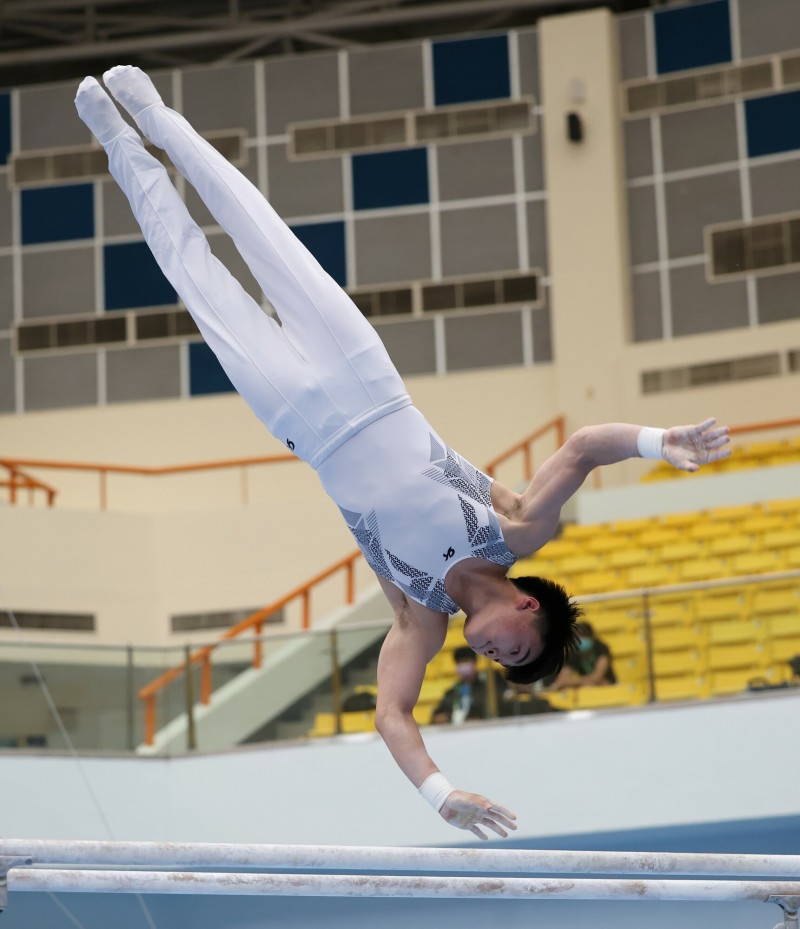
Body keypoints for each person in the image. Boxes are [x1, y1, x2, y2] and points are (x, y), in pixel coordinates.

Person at [75, 67, 732, 841]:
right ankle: (154, 113)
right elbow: (586, 447)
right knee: (257, 229)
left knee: (197, 278)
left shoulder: (418, 615)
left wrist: (438, 792)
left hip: (304, 428)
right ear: (529, 606)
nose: (491, 652)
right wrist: (663, 442)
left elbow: (391, 712)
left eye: (497, 662)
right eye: (513, 648)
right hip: (367, 380)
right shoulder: (515, 530)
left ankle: (118, 141)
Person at [431, 646, 557, 724]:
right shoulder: (452, 691)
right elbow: (439, 713)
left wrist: (478, 718)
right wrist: (439, 717)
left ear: (474, 663)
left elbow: (498, 703)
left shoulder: (490, 683)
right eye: (460, 662)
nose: (463, 664)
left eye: (466, 661)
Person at [549, 621, 616, 689]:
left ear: (591, 636)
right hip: (588, 686)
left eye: (582, 636)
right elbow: (563, 679)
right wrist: (585, 681)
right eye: (577, 637)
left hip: (609, 686)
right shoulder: (574, 653)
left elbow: (597, 677)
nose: (579, 640)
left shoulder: (601, 647)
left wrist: (572, 681)